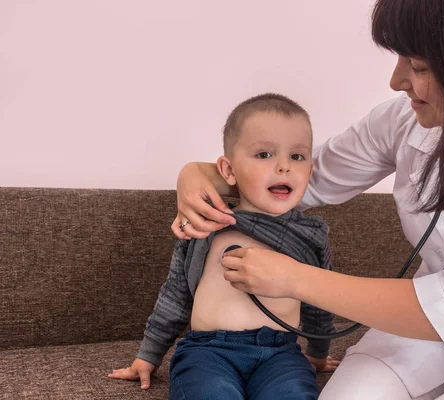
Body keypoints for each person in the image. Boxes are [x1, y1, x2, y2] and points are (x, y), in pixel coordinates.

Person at [172, 1, 444, 399]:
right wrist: (196, 174)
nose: (396, 81)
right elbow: (295, 179)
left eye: (417, 65)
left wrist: (293, 278)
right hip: (419, 334)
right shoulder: (404, 119)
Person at [109, 93, 339, 400]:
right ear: (228, 171)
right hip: (208, 351)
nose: (284, 166)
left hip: (281, 354)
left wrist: (318, 353)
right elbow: (175, 295)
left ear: (309, 172)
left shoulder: (311, 235)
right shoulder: (208, 223)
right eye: (264, 155)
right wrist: (149, 355)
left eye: (297, 157)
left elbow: (320, 300)